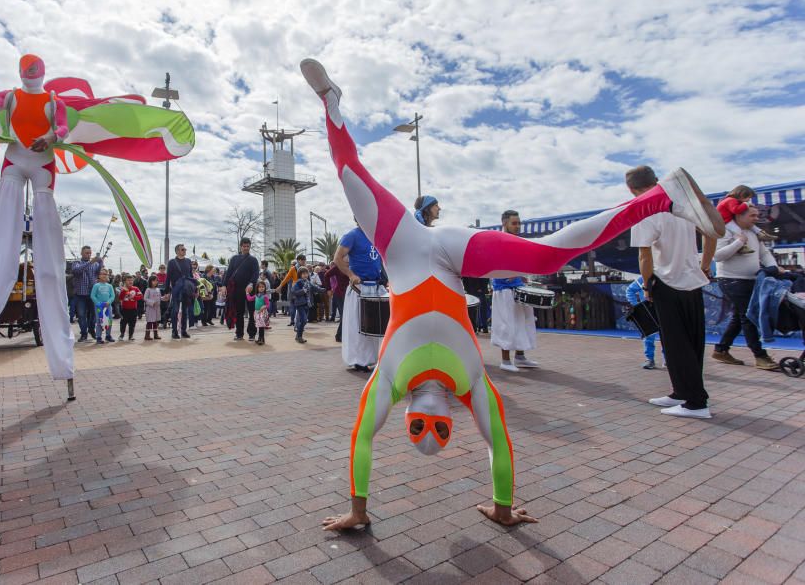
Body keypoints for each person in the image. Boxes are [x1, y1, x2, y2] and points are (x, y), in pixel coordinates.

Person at [299, 58, 724, 530]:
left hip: (401, 246)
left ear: (403, 417)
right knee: (545, 257)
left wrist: (358, 511)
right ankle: (661, 197)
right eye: (440, 430)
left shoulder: (389, 379)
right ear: (452, 424)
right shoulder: (473, 384)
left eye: (418, 427)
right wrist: (502, 508)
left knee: (348, 172)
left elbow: (362, 439)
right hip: (450, 253)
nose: (431, 420)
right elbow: (497, 443)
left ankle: (330, 101)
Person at [0, 55, 75, 392]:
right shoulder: (9, 95)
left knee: (49, 253)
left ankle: (62, 359)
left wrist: (51, 138)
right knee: (0, 230)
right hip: (16, 159)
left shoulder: (53, 101)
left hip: (43, 163)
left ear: (42, 73)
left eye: (34, 71)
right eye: (27, 71)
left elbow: (63, 127)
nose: (31, 75)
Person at [628, 165, 719, 419]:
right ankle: (681, 392)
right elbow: (712, 233)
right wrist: (705, 265)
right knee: (691, 341)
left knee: (675, 344)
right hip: (692, 281)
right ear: (656, 181)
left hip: (666, 282)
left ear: (632, 189)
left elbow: (644, 255)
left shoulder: (644, 210)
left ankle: (696, 402)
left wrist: (646, 286)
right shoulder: (682, 204)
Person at [711, 204, 780, 371]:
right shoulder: (726, 230)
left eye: (757, 215)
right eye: (753, 216)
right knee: (747, 317)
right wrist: (738, 242)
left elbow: (764, 254)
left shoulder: (753, 233)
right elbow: (717, 255)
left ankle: (721, 350)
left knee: (739, 317)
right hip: (731, 280)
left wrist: (774, 267)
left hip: (751, 280)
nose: (757, 218)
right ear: (739, 216)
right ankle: (760, 356)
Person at [490, 210, 540, 373]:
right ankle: (505, 360)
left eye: (519, 223)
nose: (518, 226)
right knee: (506, 324)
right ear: (504, 223)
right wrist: (507, 275)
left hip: (518, 287)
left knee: (523, 321)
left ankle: (520, 357)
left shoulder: (518, 241)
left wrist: (522, 276)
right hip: (503, 289)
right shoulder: (497, 242)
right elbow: (491, 265)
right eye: (514, 223)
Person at [334, 222, 384, 372]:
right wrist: (351, 274)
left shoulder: (375, 236)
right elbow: (337, 258)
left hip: (376, 286)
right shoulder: (352, 236)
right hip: (359, 288)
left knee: (376, 327)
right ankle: (359, 360)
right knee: (359, 327)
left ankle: (374, 358)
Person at [222, 238, 260, 341]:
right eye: (244, 246)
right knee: (239, 312)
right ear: (241, 246)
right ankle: (239, 333)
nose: (246, 248)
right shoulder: (234, 259)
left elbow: (256, 273)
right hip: (237, 289)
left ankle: (252, 333)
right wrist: (224, 285)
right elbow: (229, 273)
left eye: (248, 246)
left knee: (252, 312)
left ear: (250, 247)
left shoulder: (253, 260)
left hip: (250, 289)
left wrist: (251, 283)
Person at [625, 276, 660, 370]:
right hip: (648, 312)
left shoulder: (664, 276)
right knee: (649, 336)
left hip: (663, 311)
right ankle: (649, 359)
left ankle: (668, 360)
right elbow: (629, 291)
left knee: (667, 337)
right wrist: (638, 307)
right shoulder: (643, 278)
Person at [71, 246, 103, 342]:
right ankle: (84, 334)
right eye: (86, 253)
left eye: (90, 253)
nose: (88, 255)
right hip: (80, 294)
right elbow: (77, 270)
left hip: (92, 294)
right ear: (81, 253)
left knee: (93, 314)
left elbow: (98, 273)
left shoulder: (95, 264)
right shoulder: (76, 263)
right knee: (81, 315)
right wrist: (91, 262)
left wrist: (100, 262)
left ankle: (91, 329)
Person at [165, 243, 194, 339]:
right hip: (176, 289)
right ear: (177, 251)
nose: (185, 251)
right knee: (175, 311)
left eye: (185, 249)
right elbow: (168, 277)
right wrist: (167, 291)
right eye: (182, 249)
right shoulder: (172, 262)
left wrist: (195, 288)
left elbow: (191, 276)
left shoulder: (188, 261)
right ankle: (174, 332)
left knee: (185, 311)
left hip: (187, 289)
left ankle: (183, 331)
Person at [276, 254, 308, 325]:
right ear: (298, 260)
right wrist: (280, 286)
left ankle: (294, 321)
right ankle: (296, 322)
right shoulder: (296, 268)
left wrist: (280, 286)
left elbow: (286, 278)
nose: (303, 262)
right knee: (297, 307)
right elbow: (286, 278)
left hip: (298, 290)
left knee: (294, 306)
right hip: (298, 291)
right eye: (302, 260)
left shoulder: (295, 268)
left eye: (304, 260)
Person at [90, 269, 115, 343]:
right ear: (99, 276)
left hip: (108, 306)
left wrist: (109, 302)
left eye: (106, 274)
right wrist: (98, 303)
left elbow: (112, 296)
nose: (104, 275)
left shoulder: (109, 286)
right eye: (102, 274)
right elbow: (92, 296)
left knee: (109, 321)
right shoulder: (96, 285)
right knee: (99, 321)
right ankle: (99, 337)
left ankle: (108, 335)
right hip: (99, 307)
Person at [291, 267, 314, 343]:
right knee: (304, 320)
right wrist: (303, 291)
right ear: (300, 275)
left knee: (304, 321)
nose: (305, 275)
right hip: (300, 304)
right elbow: (294, 291)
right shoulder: (298, 282)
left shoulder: (308, 282)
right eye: (303, 274)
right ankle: (299, 336)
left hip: (307, 304)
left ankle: (298, 335)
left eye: (306, 273)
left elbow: (315, 287)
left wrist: (323, 289)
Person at [118, 275, 142, 341]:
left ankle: (131, 335)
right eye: (128, 280)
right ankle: (122, 334)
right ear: (125, 281)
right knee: (123, 323)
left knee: (132, 323)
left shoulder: (136, 288)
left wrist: (133, 297)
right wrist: (123, 291)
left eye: (131, 280)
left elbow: (140, 296)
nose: (130, 281)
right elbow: (120, 298)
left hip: (133, 309)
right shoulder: (123, 289)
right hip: (124, 309)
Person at [249, 280, 270, 345]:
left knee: (261, 327)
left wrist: (264, 306)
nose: (261, 288)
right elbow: (249, 299)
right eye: (260, 287)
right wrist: (247, 293)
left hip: (262, 313)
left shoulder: (265, 296)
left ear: (265, 288)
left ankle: (261, 339)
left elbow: (268, 305)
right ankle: (260, 339)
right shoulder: (256, 296)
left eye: (263, 287)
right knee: (259, 326)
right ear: (257, 288)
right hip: (257, 313)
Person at [143, 276, 163, 340]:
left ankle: (155, 334)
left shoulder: (158, 289)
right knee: (149, 322)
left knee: (155, 322)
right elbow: (145, 298)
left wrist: (164, 298)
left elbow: (160, 297)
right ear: (150, 281)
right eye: (154, 281)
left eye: (156, 281)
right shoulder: (148, 289)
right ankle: (147, 335)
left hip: (157, 308)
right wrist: (152, 302)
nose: (155, 282)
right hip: (150, 308)